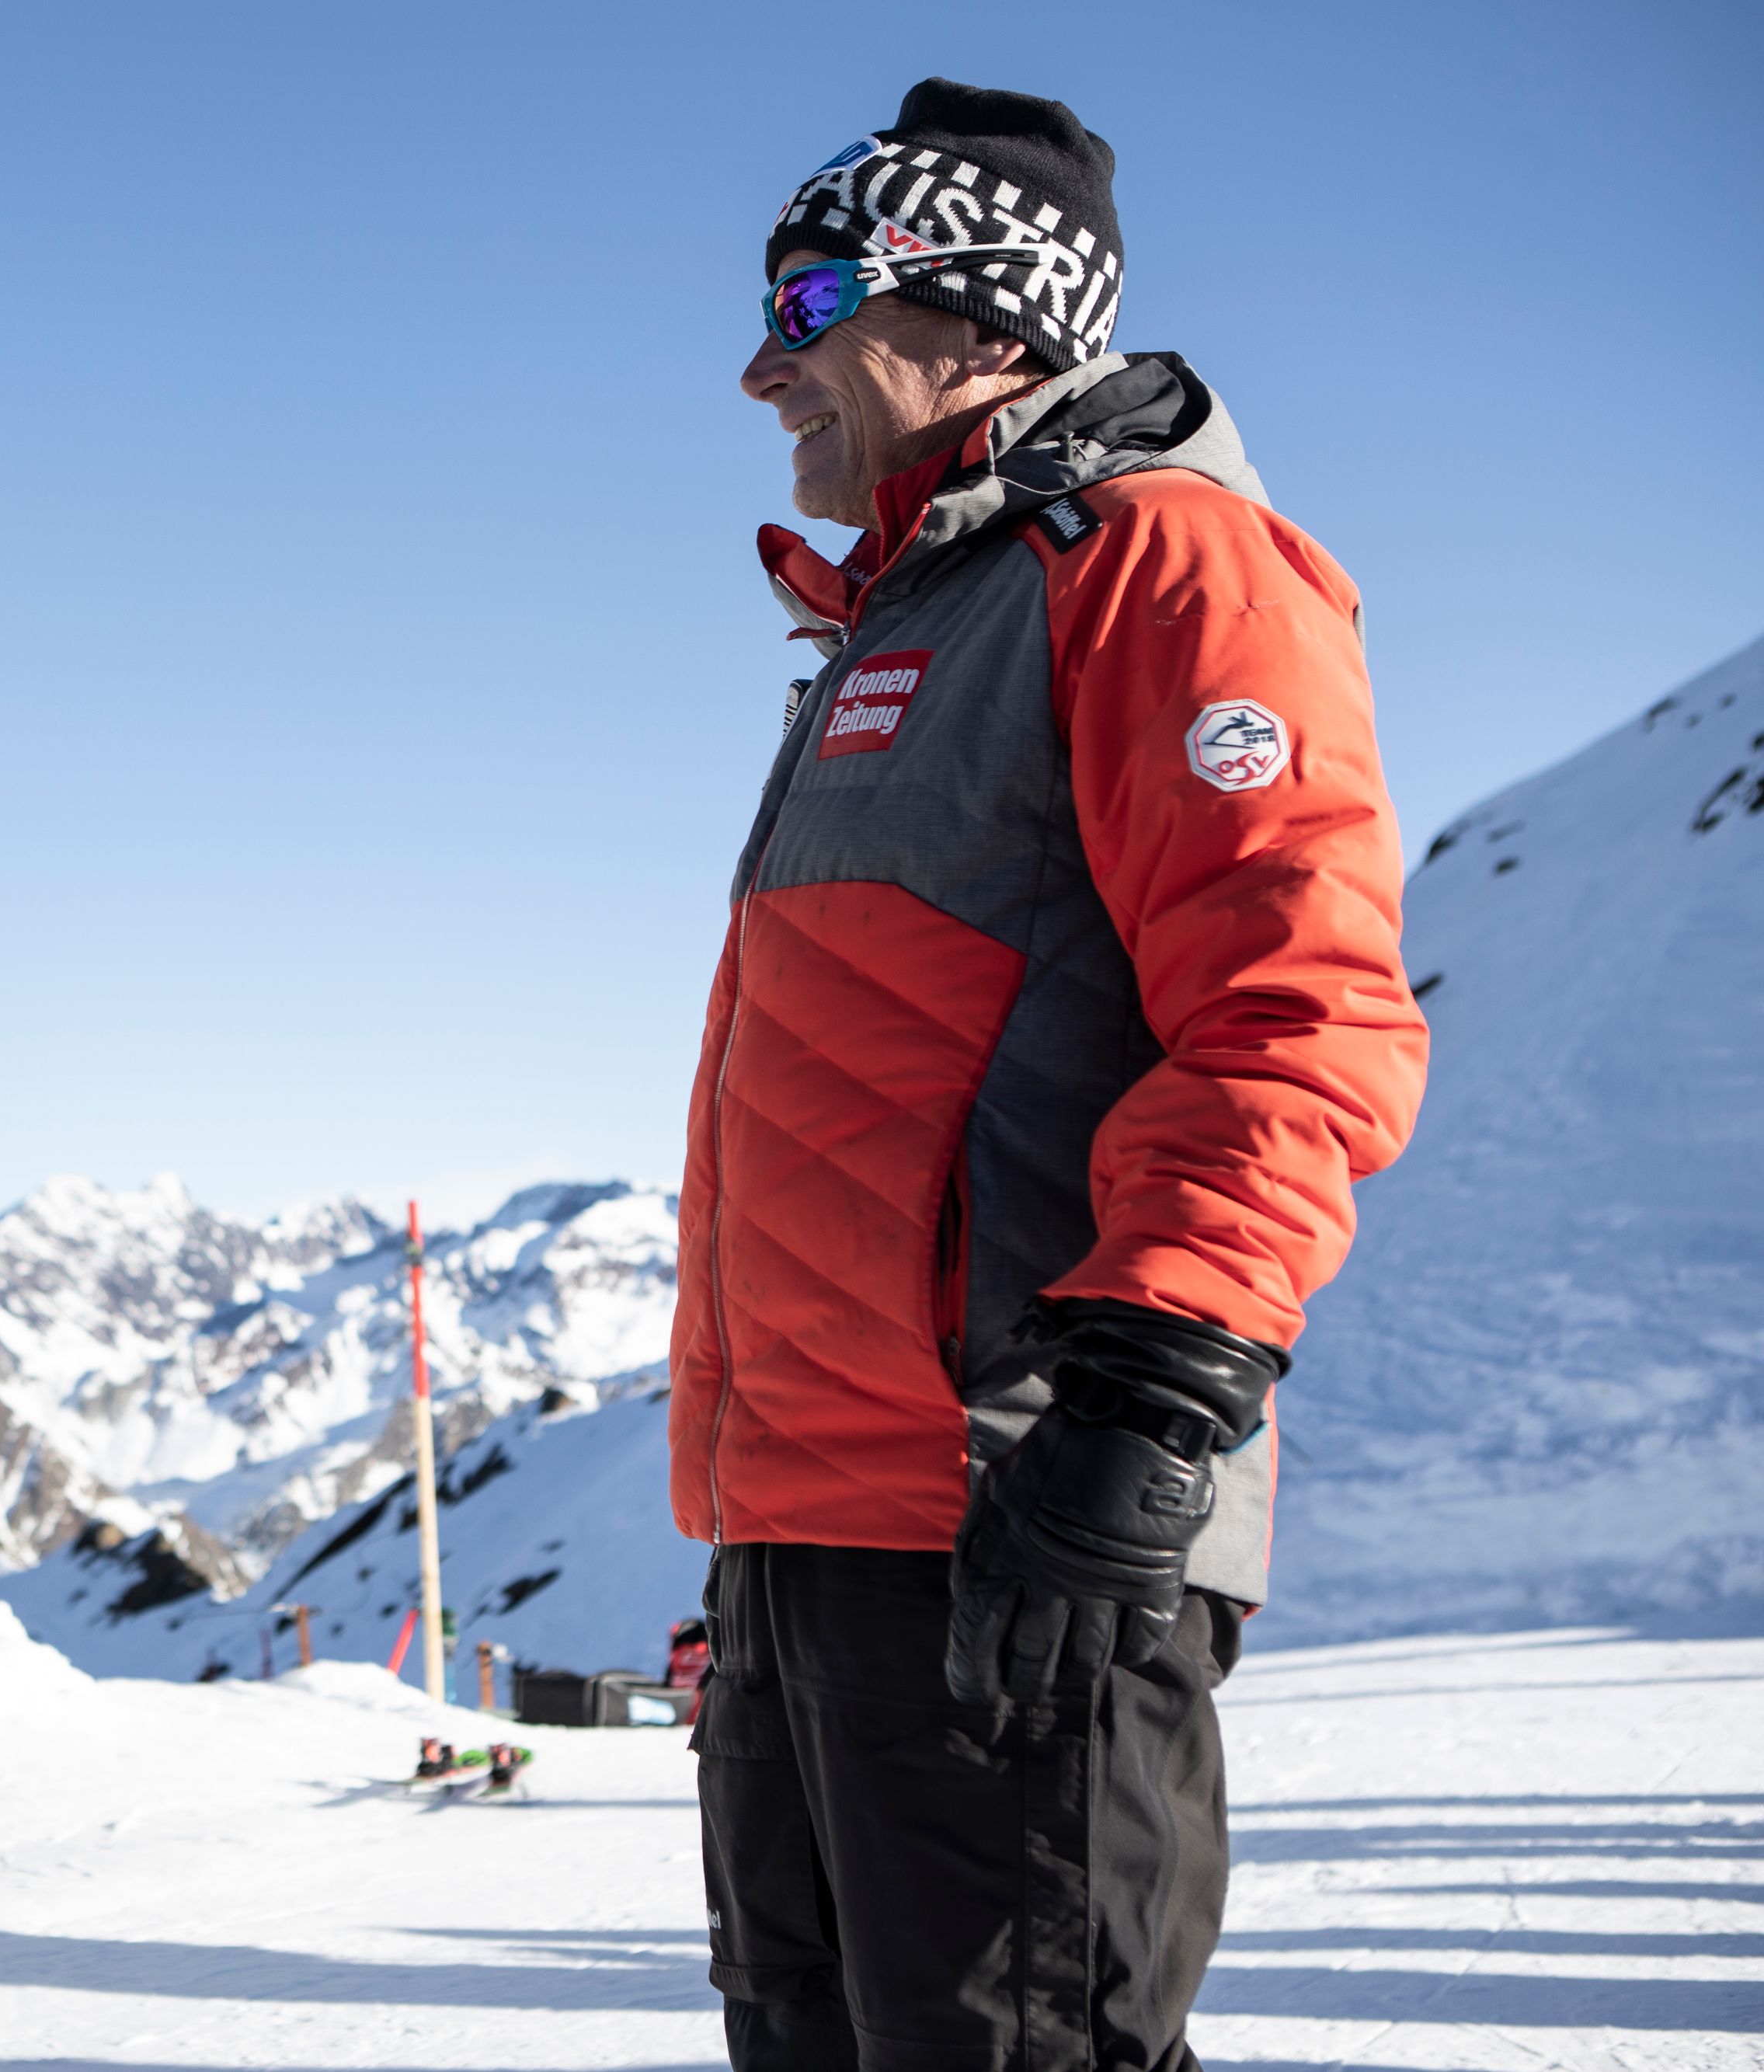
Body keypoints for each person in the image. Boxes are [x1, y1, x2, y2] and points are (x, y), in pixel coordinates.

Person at [669, 79, 1430, 2068]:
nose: (760, 368)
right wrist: (749, 1548)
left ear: (980, 313)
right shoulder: (899, 615)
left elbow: (1295, 1003)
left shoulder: (1166, 566)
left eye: (807, 301)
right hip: (810, 1537)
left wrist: (1145, 1400)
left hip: (1011, 1518)